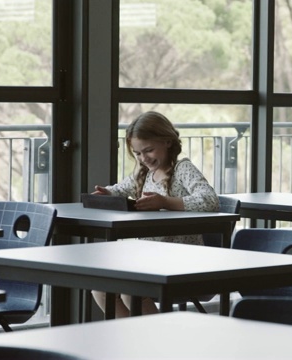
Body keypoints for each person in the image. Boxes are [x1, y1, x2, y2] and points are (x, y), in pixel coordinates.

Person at [91, 111, 220, 317]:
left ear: (167, 142)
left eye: (149, 150)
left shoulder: (182, 169)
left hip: (184, 260)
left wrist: (165, 202)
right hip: (149, 257)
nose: (144, 158)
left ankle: (155, 335)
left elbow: (210, 200)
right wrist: (108, 193)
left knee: (130, 289)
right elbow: (120, 189)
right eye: (138, 153)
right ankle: (132, 339)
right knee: (100, 289)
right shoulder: (144, 173)